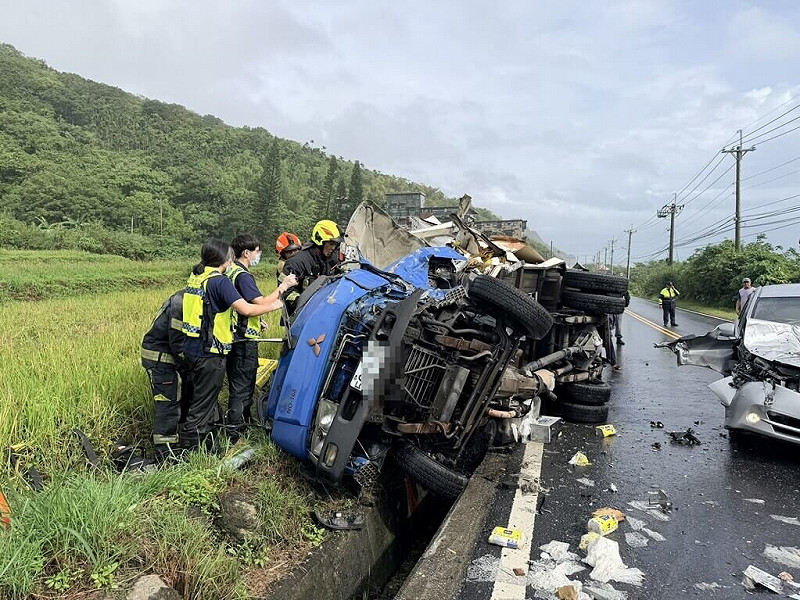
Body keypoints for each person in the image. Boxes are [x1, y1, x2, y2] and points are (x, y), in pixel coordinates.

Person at [181, 239, 296, 450]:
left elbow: (214, 310)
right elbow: (248, 309)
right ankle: (191, 452)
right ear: (224, 258)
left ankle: (203, 444)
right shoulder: (220, 281)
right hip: (210, 351)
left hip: (192, 347)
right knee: (203, 404)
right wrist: (278, 303)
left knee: (201, 399)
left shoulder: (198, 277)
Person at [225, 234, 297, 437]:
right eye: (257, 251)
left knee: (237, 384)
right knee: (242, 387)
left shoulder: (231, 272)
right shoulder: (243, 276)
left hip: (233, 336)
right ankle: (236, 433)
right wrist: (284, 287)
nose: (259, 255)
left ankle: (241, 426)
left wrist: (256, 321)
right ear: (246, 253)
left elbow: (239, 306)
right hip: (243, 341)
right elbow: (260, 302)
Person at [141, 289, 192, 461]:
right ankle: (165, 453)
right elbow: (177, 342)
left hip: (172, 358)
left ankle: (182, 442)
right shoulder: (182, 302)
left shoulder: (192, 297)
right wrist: (192, 363)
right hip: (160, 358)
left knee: (184, 396)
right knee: (167, 402)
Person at [281, 219, 341, 311]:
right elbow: (285, 292)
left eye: (336, 244)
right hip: (300, 317)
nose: (333, 248)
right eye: (331, 243)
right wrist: (304, 303)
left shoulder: (333, 260)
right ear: (320, 240)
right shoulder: (297, 262)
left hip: (325, 311)